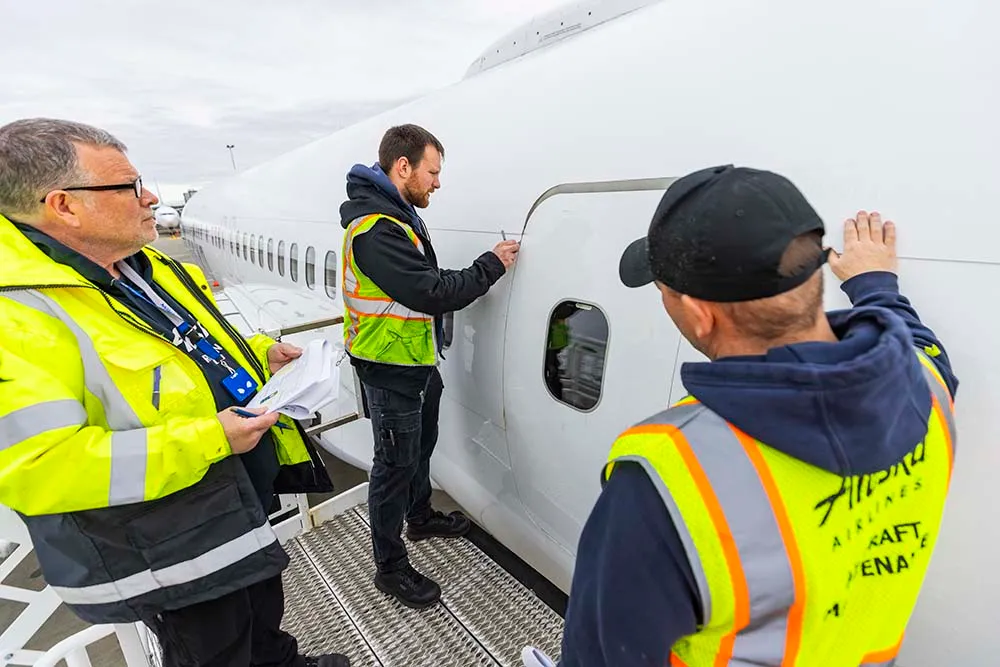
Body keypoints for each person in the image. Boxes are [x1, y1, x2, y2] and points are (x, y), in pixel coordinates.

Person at [523, 165, 958, 666]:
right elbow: (919, 342)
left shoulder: (666, 479)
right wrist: (876, 285)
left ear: (700, 312)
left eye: (663, 291)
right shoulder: (925, 386)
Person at [0, 118, 349, 667]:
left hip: (227, 500)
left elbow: (177, 351)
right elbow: (43, 466)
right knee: (217, 650)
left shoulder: (140, 265)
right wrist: (211, 439)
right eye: (129, 187)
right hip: (163, 540)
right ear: (63, 205)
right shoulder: (16, 314)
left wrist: (258, 354)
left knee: (262, 617)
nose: (152, 198)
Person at [339, 124, 519, 609]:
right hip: (389, 366)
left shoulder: (395, 216)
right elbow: (432, 290)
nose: (437, 183)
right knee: (392, 467)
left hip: (415, 360)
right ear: (404, 167)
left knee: (420, 449)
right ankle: (390, 567)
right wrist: (491, 265)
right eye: (432, 172)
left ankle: (419, 517)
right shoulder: (376, 230)